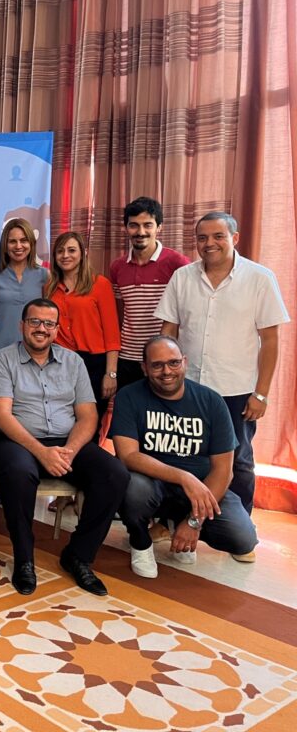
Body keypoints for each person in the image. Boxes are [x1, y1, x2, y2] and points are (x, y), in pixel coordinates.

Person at [0, 298, 129, 596]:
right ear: (22, 325)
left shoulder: (73, 361)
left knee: (114, 473)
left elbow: (88, 416)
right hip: (17, 441)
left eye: (48, 323)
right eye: (35, 322)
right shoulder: (3, 359)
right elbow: (1, 415)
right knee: (18, 473)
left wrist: (69, 452)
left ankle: (78, 555)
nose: (41, 329)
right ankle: (24, 559)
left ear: (57, 328)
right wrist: (42, 452)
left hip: (67, 442)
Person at [156, 211, 289, 524]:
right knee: (181, 454)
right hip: (188, 388)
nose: (209, 243)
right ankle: (176, 519)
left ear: (235, 238)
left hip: (237, 389)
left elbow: (269, 341)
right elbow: (168, 330)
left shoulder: (259, 278)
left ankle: (238, 524)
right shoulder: (183, 277)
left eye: (218, 236)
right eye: (202, 238)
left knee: (238, 459)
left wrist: (262, 394)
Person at [109, 336, 257, 578]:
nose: (167, 371)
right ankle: (140, 542)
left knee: (242, 539)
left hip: (200, 487)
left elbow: (224, 470)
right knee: (131, 487)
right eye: (157, 365)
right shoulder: (129, 396)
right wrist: (183, 477)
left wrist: (193, 523)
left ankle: (177, 521)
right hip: (152, 482)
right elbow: (128, 456)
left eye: (173, 363)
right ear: (144, 368)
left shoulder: (211, 401)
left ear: (185, 363)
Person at [109, 197, 190, 390]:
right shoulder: (117, 267)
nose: (141, 232)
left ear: (159, 227)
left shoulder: (178, 263)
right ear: (126, 228)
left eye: (148, 225)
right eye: (134, 225)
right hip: (128, 358)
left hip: (164, 361)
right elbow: (119, 313)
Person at [44, 231, 121, 428]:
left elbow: (112, 333)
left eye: (71, 250)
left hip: (93, 364)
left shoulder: (100, 284)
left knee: (90, 423)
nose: (65, 255)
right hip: (59, 362)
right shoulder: (49, 288)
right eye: (60, 251)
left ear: (82, 253)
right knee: (62, 419)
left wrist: (110, 374)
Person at [0, 217, 49, 360]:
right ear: (5, 245)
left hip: (32, 354)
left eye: (24, 240)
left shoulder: (44, 275)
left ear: (31, 243)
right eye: (12, 241)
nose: (18, 246)